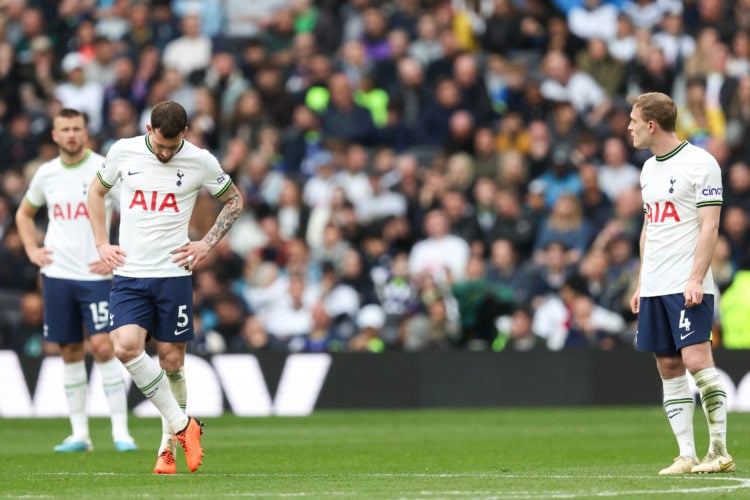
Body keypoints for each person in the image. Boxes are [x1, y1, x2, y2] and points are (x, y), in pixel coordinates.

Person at [87, 101, 243, 474]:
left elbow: (234, 200)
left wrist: (205, 243)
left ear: (185, 134)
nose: (165, 152)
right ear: (148, 128)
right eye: (160, 144)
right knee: (124, 348)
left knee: (172, 361)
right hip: (130, 273)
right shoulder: (123, 151)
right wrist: (101, 244)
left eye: (172, 146)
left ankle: (167, 450)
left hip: (173, 275)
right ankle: (185, 425)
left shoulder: (200, 160)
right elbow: (95, 193)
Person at [14, 108, 138, 453]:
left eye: (76, 129)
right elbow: (24, 213)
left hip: (95, 275)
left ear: (86, 133)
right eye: (65, 129)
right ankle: (80, 434)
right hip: (57, 275)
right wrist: (31, 249)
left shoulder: (103, 168)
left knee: (103, 346)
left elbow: (132, 211)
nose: (71, 134)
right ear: (54, 135)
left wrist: (116, 251)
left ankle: (121, 432)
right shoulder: (47, 173)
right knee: (68, 350)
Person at [627, 92, 734, 475]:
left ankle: (719, 451)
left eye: (634, 121)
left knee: (695, 359)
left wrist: (695, 277)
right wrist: (641, 282)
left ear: (652, 125)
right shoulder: (647, 170)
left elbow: (711, 226)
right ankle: (686, 455)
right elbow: (648, 228)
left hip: (687, 283)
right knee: (669, 366)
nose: (629, 127)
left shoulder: (701, 163)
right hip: (655, 284)